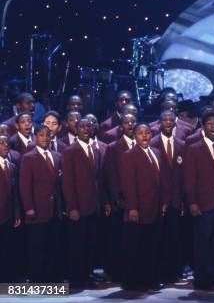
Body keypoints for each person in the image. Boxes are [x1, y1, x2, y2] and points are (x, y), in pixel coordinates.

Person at [184, 111, 214, 291]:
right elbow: (189, 179)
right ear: (203, 127)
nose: (213, 127)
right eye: (209, 124)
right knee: (202, 243)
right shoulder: (194, 148)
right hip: (203, 204)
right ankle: (202, 279)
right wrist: (193, 203)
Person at [120, 124, 168, 291]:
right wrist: (132, 207)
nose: (144, 136)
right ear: (135, 136)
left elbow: (161, 180)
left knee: (152, 246)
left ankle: (149, 279)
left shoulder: (157, 153)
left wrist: (163, 203)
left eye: (147, 132)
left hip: (154, 207)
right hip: (139, 208)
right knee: (136, 247)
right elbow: (128, 184)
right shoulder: (129, 155)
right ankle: (133, 281)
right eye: (140, 133)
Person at [61, 118, 106, 289]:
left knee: (90, 243)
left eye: (88, 126)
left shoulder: (95, 149)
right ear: (76, 129)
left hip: (93, 206)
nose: (86, 129)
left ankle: (87, 275)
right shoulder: (70, 151)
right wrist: (72, 207)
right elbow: (68, 182)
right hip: (78, 207)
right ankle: (77, 278)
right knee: (77, 245)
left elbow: (98, 180)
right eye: (82, 126)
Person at [19, 124, 62, 282]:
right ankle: (37, 279)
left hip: (55, 210)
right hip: (37, 210)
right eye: (41, 135)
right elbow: (24, 185)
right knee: (37, 247)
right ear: (36, 137)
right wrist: (29, 208)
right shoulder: (29, 158)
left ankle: (50, 278)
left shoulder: (57, 156)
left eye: (47, 135)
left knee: (53, 246)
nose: (45, 138)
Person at [150, 110, 186, 283]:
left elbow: (184, 175)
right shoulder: (152, 144)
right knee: (158, 239)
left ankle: (173, 273)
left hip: (176, 200)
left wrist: (183, 201)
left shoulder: (181, 145)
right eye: (165, 120)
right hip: (158, 201)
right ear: (159, 123)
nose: (168, 123)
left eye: (171, 120)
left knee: (175, 238)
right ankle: (159, 273)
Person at [101, 113, 136, 281]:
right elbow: (111, 175)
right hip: (121, 202)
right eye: (126, 122)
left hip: (140, 201)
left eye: (132, 122)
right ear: (121, 126)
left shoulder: (143, 144)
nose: (130, 125)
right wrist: (118, 198)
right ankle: (121, 274)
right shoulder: (114, 147)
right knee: (121, 240)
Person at [0, 134, 21, 282]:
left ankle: (7, 278)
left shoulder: (12, 167)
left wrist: (17, 214)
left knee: (7, 248)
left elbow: (15, 194)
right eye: (1, 143)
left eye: (6, 143)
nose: (5, 145)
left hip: (8, 215)